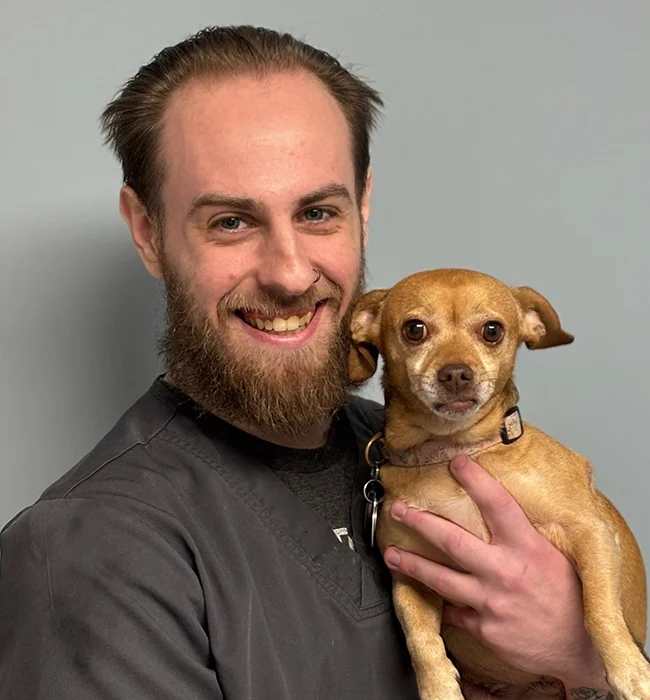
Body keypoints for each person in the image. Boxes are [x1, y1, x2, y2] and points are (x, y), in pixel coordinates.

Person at [0, 25, 612, 699]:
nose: (290, 274)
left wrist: (578, 658)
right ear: (148, 233)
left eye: (318, 213)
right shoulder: (91, 551)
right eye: (231, 221)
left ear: (364, 209)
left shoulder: (427, 458)